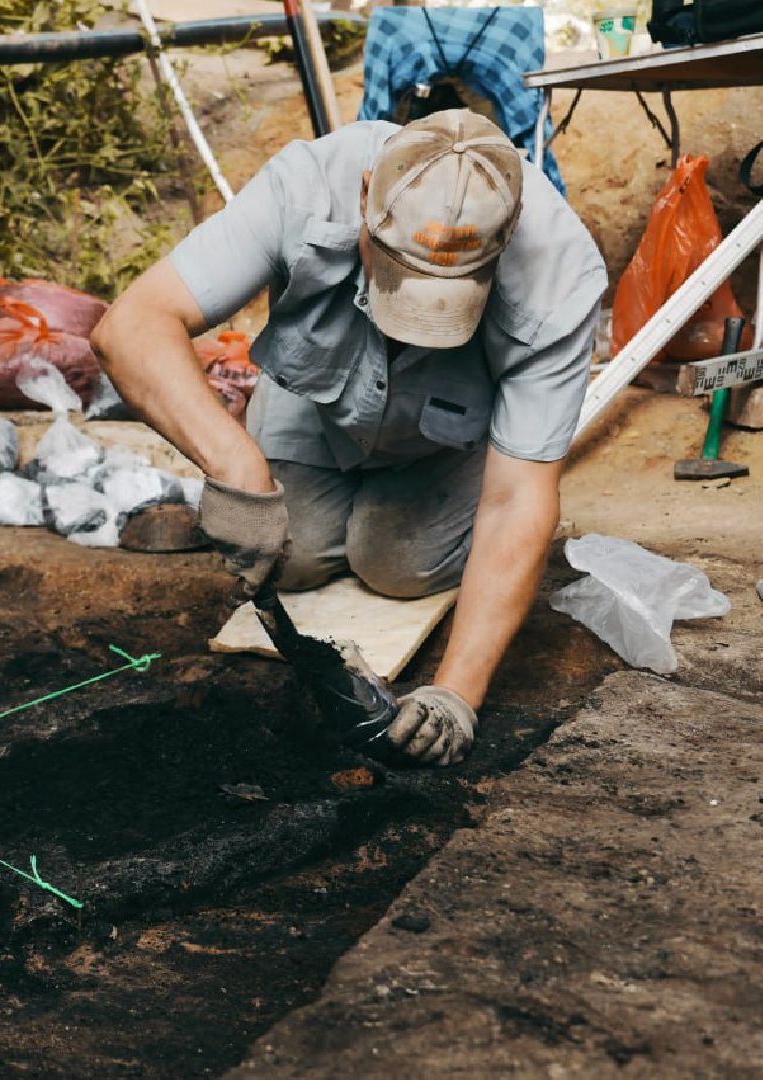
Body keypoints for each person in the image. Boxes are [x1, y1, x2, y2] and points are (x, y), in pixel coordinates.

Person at [91, 110, 606, 767]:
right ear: (366, 196)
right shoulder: (303, 186)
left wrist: (457, 694)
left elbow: (519, 497)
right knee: (287, 555)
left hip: (441, 438)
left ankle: (410, 522)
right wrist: (235, 462)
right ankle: (289, 488)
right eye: (399, 273)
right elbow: (129, 327)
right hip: (321, 404)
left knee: (394, 565)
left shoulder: (558, 275)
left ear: (503, 243)